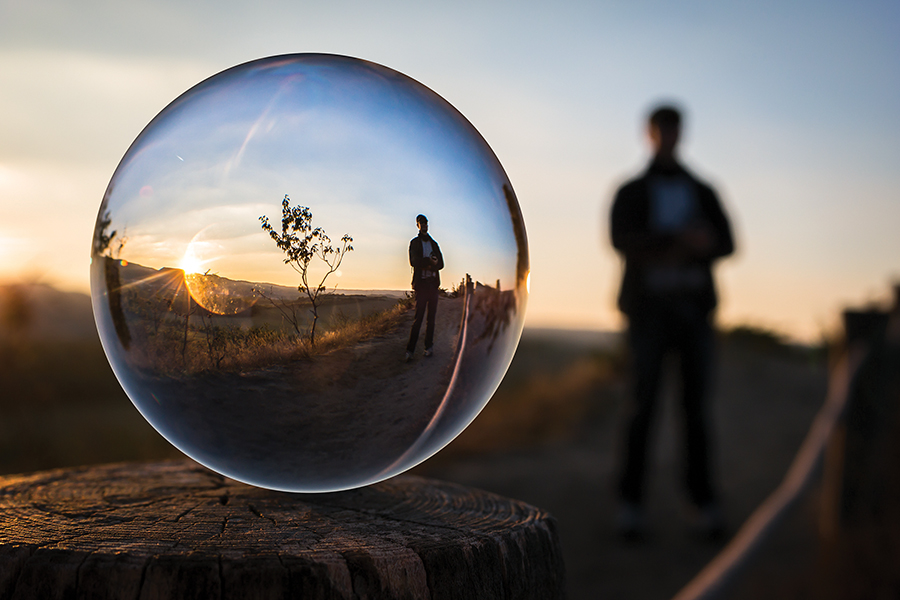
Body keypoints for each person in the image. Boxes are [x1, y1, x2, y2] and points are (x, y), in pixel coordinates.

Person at [610, 104, 735, 540]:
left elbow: (729, 243)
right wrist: (680, 240)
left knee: (695, 410)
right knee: (641, 406)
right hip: (648, 313)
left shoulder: (703, 189)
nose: (668, 137)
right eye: (661, 130)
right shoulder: (632, 190)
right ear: (651, 133)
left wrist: (696, 244)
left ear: (681, 134)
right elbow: (619, 239)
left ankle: (701, 502)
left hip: (694, 312)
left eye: (673, 130)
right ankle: (631, 505)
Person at [406, 214, 444, 361]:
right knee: (418, 319)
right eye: (421, 223)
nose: (424, 225)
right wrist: (429, 262)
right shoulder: (414, 243)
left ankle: (428, 347)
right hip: (421, 286)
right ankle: (410, 350)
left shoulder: (434, 244)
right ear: (418, 225)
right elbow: (413, 261)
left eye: (426, 223)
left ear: (428, 225)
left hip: (433, 285)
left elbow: (441, 264)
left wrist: (432, 263)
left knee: (431, 320)